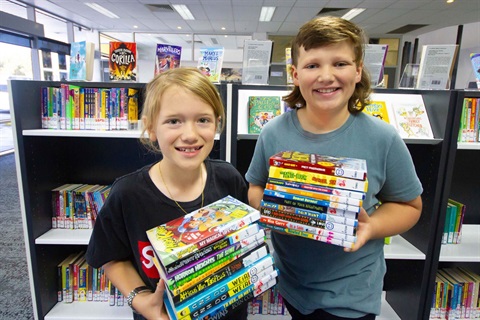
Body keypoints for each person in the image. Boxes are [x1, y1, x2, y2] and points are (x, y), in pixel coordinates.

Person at [245, 16, 423, 320]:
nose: (326, 76)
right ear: (295, 74)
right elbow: (255, 186)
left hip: (351, 291)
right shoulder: (273, 132)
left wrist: (372, 227)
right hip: (291, 283)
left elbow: (409, 205)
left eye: (339, 63)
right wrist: (281, 210)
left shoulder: (382, 137)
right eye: (313, 65)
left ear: (357, 71)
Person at [86, 67, 249, 320]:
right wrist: (140, 300)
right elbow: (111, 258)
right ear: (151, 128)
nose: (190, 135)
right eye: (174, 121)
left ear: (217, 124)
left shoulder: (229, 179)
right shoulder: (127, 194)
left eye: (203, 120)